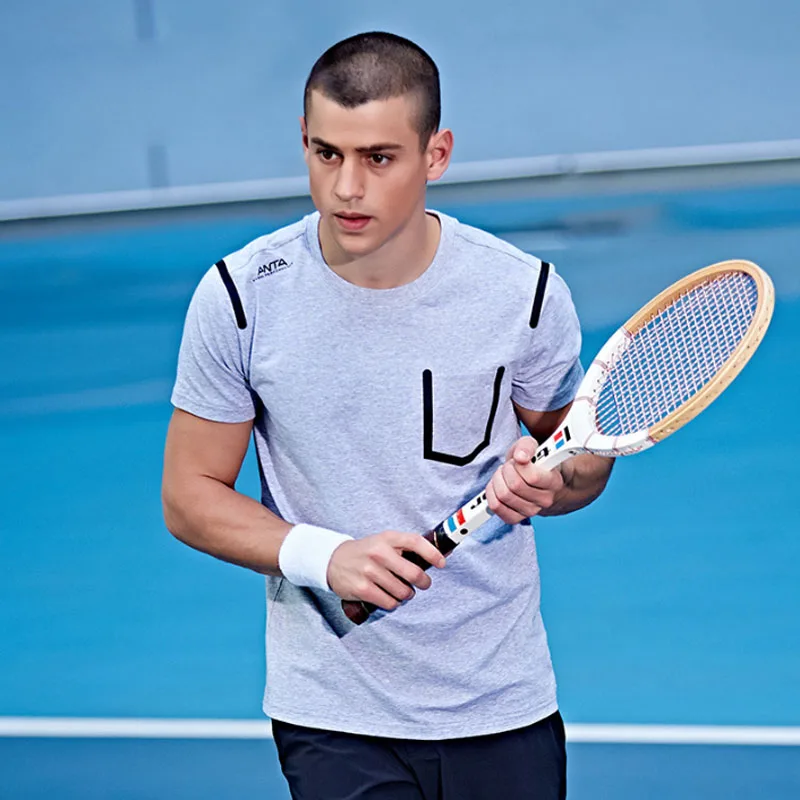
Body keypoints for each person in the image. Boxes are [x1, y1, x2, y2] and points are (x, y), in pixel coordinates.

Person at [163, 31, 613, 800]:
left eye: (378, 158)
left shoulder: (523, 294)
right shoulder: (242, 298)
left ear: (436, 155)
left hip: (500, 699)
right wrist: (325, 556)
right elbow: (188, 495)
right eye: (327, 153)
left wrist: (550, 482)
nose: (347, 187)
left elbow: (580, 460)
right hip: (333, 710)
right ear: (303, 141)